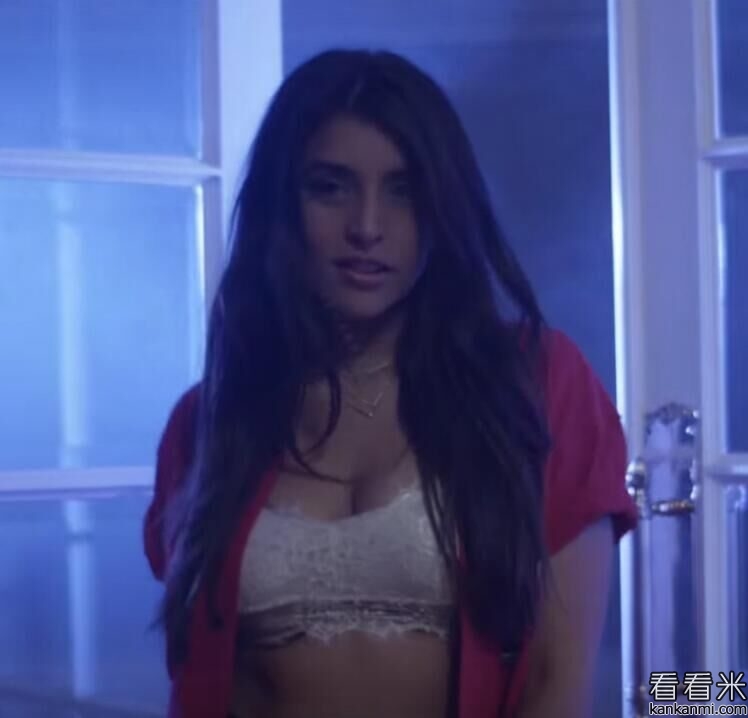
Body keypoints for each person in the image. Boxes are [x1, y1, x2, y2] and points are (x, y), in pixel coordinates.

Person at [143, 49, 637, 718]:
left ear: (444, 207)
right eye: (330, 187)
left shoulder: (535, 384)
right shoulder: (209, 421)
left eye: (404, 190)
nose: (367, 227)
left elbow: (558, 679)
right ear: (281, 204)